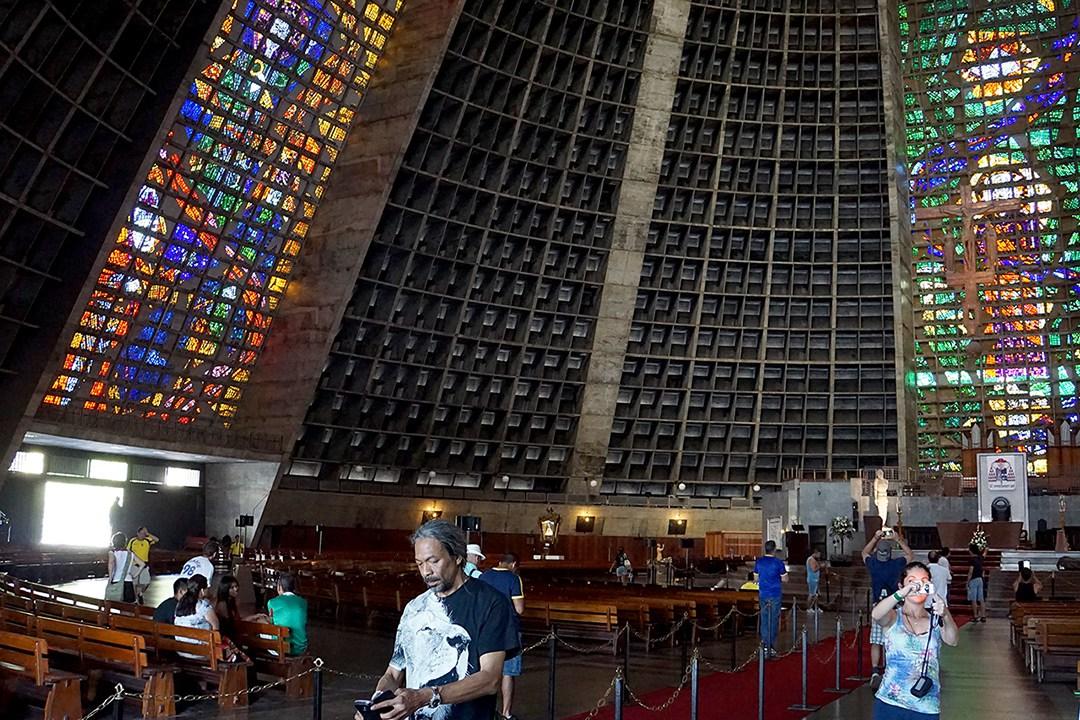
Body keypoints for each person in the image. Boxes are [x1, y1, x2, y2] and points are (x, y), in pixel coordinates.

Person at [364, 519, 518, 720]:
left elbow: (490, 680)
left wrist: (426, 697)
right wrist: (377, 705)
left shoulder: (491, 603)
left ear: (457, 557)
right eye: (420, 563)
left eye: (433, 561)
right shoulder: (414, 608)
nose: (426, 571)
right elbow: (393, 674)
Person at [870, 561, 959, 719]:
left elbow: (952, 640)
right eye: (911, 581)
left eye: (923, 581)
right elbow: (876, 614)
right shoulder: (893, 617)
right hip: (890, 700)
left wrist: (945, 614)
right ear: (901, 586)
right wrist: (902, 593)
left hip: (926, 704)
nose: (917, 586)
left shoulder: (935, 619)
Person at [863, 529, 914, 688]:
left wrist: (875, 537)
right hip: (894, 605)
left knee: (876, 641)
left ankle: (875, 671)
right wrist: (898, 539)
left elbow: (864, 552)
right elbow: (910, 555)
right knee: (895, 638)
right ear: (890, 552)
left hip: (878, 605)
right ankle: (893, 669)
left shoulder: (873, 564)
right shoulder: (896, 564)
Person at [479, 554, 525, 720]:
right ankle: (506, 713)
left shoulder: (484, 576)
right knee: (508, 672)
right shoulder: (513, 578)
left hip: (485, 628)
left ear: (499, 562)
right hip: (508, 629)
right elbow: (519, 609)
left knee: (484, 671)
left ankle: (485, 711)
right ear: (513, 564)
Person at [754, 540, 788, 657]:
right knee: (773, 620)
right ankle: (770, 645)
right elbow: (785, 579)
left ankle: (764, 644)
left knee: (764, 619)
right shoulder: (778, 563)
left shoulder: (759, 562)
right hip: (775, 593)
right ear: (774, 550)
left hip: (763, 593)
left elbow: (755, 578)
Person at [215, 575, 270, 643]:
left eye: (236, 586)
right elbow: (233, 625)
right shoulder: (222, 604)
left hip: (235, 632)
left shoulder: (231, 601)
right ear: (225, 589)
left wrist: (256, 616)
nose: (236, 589)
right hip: (230, 637)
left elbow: (238, 620)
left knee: (261, 620)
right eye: (232, 587)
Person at [267, 571, 308, 655]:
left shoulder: (272, 602)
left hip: (280, 648)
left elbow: (272, 623)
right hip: (300, 648)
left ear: (279, 587)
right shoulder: (303, 602)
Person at [126, 526, 159, 604]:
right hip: (134, 565)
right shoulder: (133, 541)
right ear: (137, 533)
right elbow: (128, 550)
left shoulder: (147, 540)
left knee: (146, 582)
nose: (142, 535)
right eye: (141, 533)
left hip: (144, 565)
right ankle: (136, 599)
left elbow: (157, 539)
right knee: (134, 583)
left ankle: (140, 592)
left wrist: (148, 534)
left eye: (144, 534)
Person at [105, 532, 136, 603]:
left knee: (118, 605)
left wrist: (110, 578)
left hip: (116, 580)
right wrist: (135, 575)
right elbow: (142, 564)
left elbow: (111, 564)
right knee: (128, 607)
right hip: (128, 580)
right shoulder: (130, 553)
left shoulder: (112, 552)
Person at [966, 543, 988, 623]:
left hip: (973, 579)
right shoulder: (980, 558)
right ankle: (983, 616)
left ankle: (975, 616)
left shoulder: (972, 560)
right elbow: (984, 554)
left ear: (971, 550)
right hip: (980, 579)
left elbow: (971, 572)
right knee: (981, 599)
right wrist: (986, 548)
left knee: (974, 599)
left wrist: (967, 582)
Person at [806, 547, 826, 614]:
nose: (820, 556)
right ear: (816, 553)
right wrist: (820, 566)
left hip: (815, 579)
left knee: (816, 594)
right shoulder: (811, 560)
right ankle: (809, 608)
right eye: (819, 554)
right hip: (812, 579)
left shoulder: (814, 560)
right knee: (811, 594)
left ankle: (816, 607)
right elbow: (814, 569)